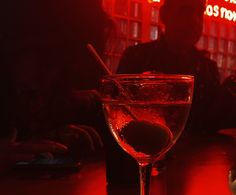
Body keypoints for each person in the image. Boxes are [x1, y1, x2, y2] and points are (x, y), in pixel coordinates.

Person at [0, 0, 113, 171]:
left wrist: (51, 138)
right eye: (41, 51)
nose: (47, 73)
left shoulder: (62, 87)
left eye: (59, 56)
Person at [117, 0, 221, 134]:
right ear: (165, 15)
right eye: (186, 12)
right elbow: (119, 113)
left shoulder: (209, 68)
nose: (194, 22)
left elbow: (212, 124)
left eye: (199, 14)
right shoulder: (137, 57)